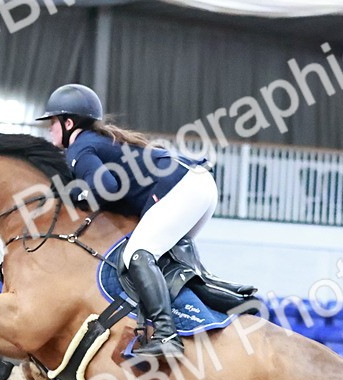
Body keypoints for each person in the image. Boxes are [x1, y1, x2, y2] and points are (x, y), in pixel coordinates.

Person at [37, 83, 218, 360]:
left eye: (53, 122)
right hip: (198, 186)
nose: (50, 129)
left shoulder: (80, 148)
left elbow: (105, 189)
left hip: (183, 188)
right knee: (160, 259)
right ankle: (203, 308)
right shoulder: (96, 142)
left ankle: (166, 335)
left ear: (68, 122)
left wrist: (69, 192)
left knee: (138, 254)